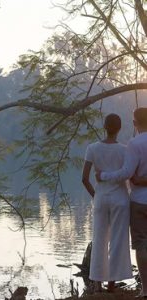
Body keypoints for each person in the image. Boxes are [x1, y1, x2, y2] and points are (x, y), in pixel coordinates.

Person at [96, 107, 147, 297]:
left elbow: (126, 173)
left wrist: (104, 175)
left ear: (134, 123)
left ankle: (145, 290)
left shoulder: (134, 144)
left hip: (139, 201)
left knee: (141, 244)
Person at [82, 113, 132, 293]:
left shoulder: (92, 148)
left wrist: (96, 196)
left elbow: (85, 179)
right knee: (118, 239)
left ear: (104, 126)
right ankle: (112, 282)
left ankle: (97, 283)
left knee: (99, 238)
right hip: (120, 198)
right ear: (119, 128)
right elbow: (128, 175)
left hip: (101, 198)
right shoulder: (125, 150)